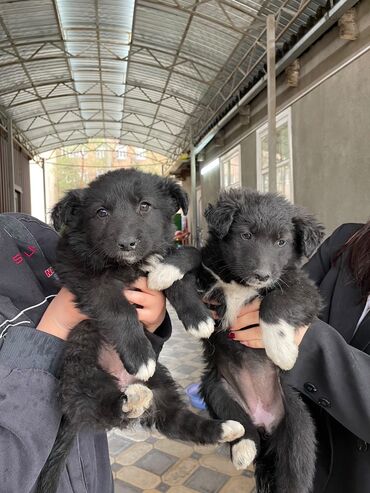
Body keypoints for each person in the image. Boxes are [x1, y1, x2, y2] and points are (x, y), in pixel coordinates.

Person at [0, 213, 172, 493]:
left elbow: (104, 375)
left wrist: (141, 329)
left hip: (94, 478)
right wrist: (56, 325)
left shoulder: (31, 234)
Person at [228, 221, 370, 492]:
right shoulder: (348, 239)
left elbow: (297, 331)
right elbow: (286, 290)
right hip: (296, 451)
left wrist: (310, 344)